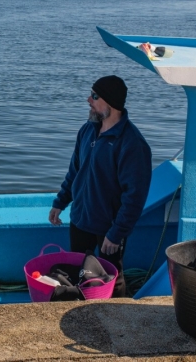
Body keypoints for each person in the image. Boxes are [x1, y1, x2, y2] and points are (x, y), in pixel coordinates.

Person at [48, 75, 152, 297]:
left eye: (95, 96)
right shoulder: (87, 130)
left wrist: (117, 233)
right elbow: (75, 171)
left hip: (108, 228)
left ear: (111, 103)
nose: (88, 100)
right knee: (77, 273)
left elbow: (134, 196)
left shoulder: (132, 143)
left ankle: (118, 317)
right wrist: (60, 203)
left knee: (113, 277)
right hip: (80, 219)